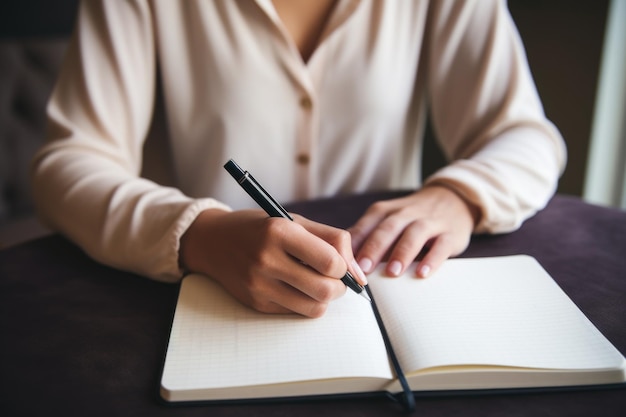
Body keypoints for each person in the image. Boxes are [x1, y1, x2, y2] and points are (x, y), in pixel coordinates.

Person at [31, 0, 566, 318]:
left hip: (382, 281)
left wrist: (458, 197)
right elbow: (68, 163)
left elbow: (527, 135)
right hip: (207, 291)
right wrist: (199, 233)